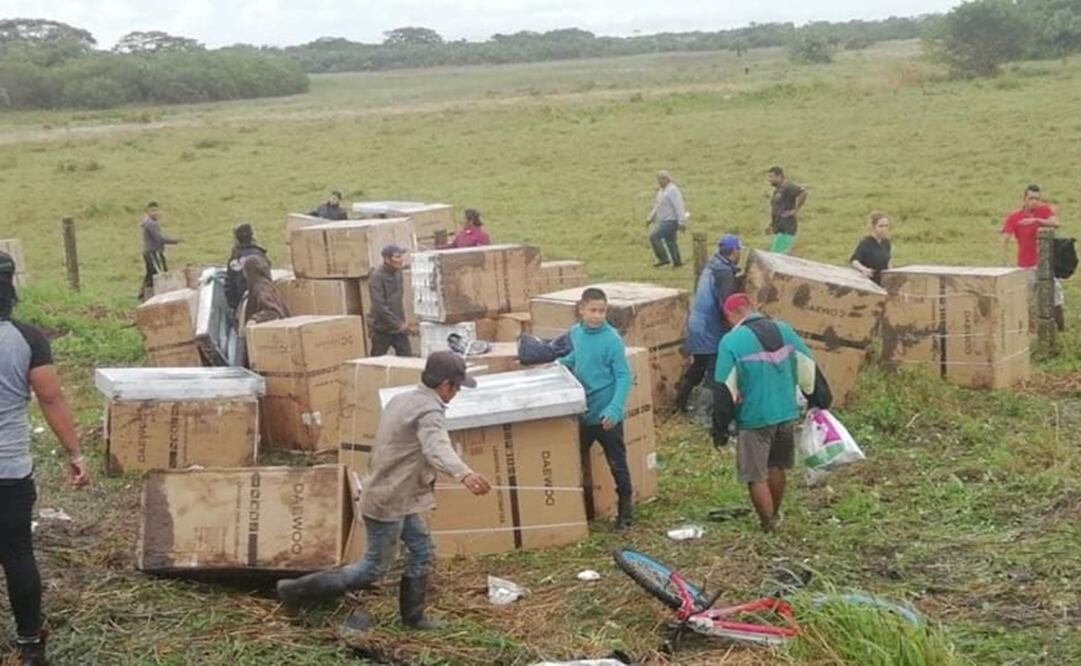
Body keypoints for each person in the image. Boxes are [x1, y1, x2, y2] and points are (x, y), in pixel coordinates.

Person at [276, 351, 491, 634]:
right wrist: (464, 473)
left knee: (422, 550)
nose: (457, 392)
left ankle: (413, 618)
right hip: (389, 500)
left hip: (396, 495)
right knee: (372, 568)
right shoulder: (429, 412)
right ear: (446, 385)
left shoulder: (403, 399)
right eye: (458, 386)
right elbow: (436, 447)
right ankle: (295, 590)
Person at [1, 251, 90, 666]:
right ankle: (30, 643)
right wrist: (75, 453)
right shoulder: (28, 338)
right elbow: (51, 397)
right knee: (17, 552)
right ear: (12, 289)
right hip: (10, 471)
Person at [713, 294, 830, 532]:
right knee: (776, 466)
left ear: (730, 315)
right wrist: (820, 399)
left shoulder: (731, 341)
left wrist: (720, 429)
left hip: (754, 418)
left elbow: (724, 389)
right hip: (786, 413)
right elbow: (808, 366)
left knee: (756, 475)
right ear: (753, 307)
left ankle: (767, 525)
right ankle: (775, 514)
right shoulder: (784, 330)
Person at [559, 288, 635, 530]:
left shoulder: (612, 340)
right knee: (573, 461)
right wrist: (560, 364)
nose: (598, 316)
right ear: (581, 310)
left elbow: (623, 376)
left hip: (606, 416)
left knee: (617, 463)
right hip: (584, 412)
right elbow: (578, 357)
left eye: (602, 311)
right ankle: (574, 509)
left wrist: (614, 409)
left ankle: (625, 512)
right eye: (593, 310)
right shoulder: (576, 333)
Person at [674, 235, 743, 441]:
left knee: (698, 366)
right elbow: (727, 305)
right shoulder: (724, 273)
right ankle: (703, 414)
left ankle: (680, 403)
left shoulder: (712, 266)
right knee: (714, 371)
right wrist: (736, 328)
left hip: (696, 324)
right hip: (710, 328)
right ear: (734, 251)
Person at [1002, 185, 1064, 330]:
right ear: (1024, 199)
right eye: (1031, 198)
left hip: (1045, 263)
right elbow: (1005, 238)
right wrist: (1005, 260)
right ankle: (1027, 329)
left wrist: (1036, 220)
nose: (1034, 201)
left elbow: (1056, 223)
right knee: (1026, 298)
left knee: (1055, 294)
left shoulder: (1044, 211)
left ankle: (1060, 328)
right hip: (1025, 264)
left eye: (1037, 198)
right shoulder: (1014, 217)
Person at [368, 244, 413, 357]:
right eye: (397, 257)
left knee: (407, 358)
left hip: (398, 328)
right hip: (382, 328)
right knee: (377, 361)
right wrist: (397, 324)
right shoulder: (376, 277)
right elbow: (379, 306)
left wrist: (401, 323)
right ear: (387, 259)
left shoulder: (398, 273)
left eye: (401, 256)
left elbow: (397, 302)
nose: (401, 260)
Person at [138, 201, 180, 301]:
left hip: (151, 252)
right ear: (147, 212)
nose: (155, 212)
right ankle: (160, 296)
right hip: (153, 252)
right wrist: (175, 241)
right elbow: (159, 239)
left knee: (150, 274)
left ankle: (143, 295)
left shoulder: (150, 223)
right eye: (152, 210)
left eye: (156, 210)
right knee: (160, 275)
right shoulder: (151, 224)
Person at [646, 170, 687, 268]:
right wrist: (651, 217)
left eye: (660, 179)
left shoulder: (673, 190)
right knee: (671, 242)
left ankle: (663, 258)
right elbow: (657, 206)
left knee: (654, 236)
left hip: (671, 220)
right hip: (664, 220)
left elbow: (679, 206)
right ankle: (677, 262)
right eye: (658, 179)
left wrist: (681, 222)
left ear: (666, 179)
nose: (658, 182)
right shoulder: (661, 192)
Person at [224, 223, 268, 311]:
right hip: (262, 301)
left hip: (241, 304)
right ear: (252, 236)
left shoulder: (234, 258)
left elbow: (230, 286)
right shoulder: (259, 256)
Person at [766, 167, 807, 255]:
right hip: (779, 228)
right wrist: (772, 224)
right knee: (776, 254)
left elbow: (803, 192)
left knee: (777, 256)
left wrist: (795, 210)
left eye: (771, 177)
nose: (769, 180)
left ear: (779, 176)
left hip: (787, 228)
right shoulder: (777, 190)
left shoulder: (788, 187)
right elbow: (777, 209)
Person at [850, 212, 892, 285]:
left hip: (883, 282)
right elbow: (854, 261)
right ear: (873, 227)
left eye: (886, 226)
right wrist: (864, 269)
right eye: (881, 226)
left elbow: (888, 261)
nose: (884, 229)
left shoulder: (886, 243)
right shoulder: (866, 243)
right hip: (869, 283)